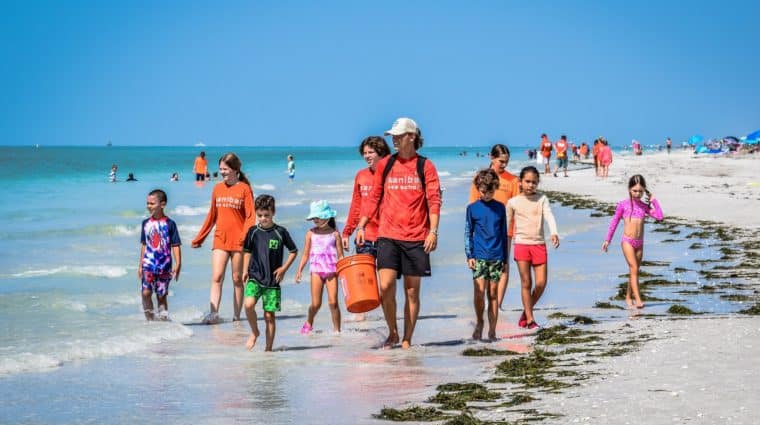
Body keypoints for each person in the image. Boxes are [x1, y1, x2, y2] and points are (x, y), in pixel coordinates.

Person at [356, 117, 442, 349]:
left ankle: (406, 338)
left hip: (416, 237)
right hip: (388, 235)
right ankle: (393, 332)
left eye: (399, 135)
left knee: (411, 292)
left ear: (411, 137)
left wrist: (433, 231)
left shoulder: (426, 166)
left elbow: (434, 200)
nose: (394, 139)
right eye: (392, 135)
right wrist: (362, 225)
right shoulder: (386, 164)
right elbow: (374, 197)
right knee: (385, 287)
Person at [191, 153, 255, 323]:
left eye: (225, 169)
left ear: (235, 169)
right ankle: (214, 314)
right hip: (220, 238)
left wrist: (245, 237)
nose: (222, 172)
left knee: (237, 279)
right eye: (220, 169)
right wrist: (200, 237)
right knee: (217, 276)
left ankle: (237, 316)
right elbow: (212, 215)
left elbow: (250, 216)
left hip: (239, 241)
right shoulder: (217, 188)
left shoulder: (244, 189)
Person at [467, 144, 519, 312]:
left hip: (505, 228)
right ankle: (483, 301)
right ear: (492, 158)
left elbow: (517, 205)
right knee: (481, 265)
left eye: (506, 161)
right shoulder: (480, 177)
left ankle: (498, 303)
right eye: (501, 161)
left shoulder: (513, 180)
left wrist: (517, 228)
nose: (504, 165)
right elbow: (472, 204)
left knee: (503, 264)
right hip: (482, 230)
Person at [243, 194, 298, 351]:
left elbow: (293, 251)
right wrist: (245, 270)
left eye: (266, 215)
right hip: (254, 276)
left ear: (273, 213)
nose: (263, 218)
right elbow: (247, 251)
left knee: (269, 316)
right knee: (248, 305)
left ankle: (268, 349)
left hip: (272, 281)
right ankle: (254, 332)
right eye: (259, 215)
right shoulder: (253, 231)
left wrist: (284, 268)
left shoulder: (281, 232)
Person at [507, 166, 559, 330]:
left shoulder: (542, 198)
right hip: (521, 245)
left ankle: (526, 311)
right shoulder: (512, 202)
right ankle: (530, 319)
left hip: (539, 244)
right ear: (520, 182)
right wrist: (501, 247)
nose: (530, 185)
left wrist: (554, 232)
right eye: (527, 181)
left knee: (541, 283)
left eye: (534, 182)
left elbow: (549, 215)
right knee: (526, 282)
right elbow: (506, 225)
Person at [602, 175, 664, 308]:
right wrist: (608, 240)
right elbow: (614, 222)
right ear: (629, 189)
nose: (637, 194)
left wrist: (654, 201)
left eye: (641, 191)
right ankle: (638, 299)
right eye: (635, 190)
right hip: (627, 242)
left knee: (633, 271)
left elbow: (660, 217)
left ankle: (628, 296)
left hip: (639, 243)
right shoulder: (622, 205)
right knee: (634, 268)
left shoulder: (644, 206)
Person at [465, 169, 507, 341]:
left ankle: (492, 330)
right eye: (483, 192)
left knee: (493, 293)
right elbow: (468, 232)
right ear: (478, 189)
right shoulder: (472, 208)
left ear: (495, 188)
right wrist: (470, 255)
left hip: (497, 255)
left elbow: (503, 234)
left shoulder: (500, 208)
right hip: (479, 255)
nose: (487, 195)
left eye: (490, 192)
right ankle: (480, 321)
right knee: (479, 292)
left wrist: (504, 259)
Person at [295, 200, 344, 334]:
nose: (315, 219)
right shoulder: (311, 233)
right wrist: (299, 270)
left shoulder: (335, 234)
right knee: (316, 304)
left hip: (332, 271)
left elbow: (340, 256)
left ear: (327, 216)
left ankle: (337, 331)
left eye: (318, 217)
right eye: (314, 217)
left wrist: (345, 272)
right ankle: (309, 321)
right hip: (316, 271)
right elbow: (305, 254)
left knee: (333, 303)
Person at [342, 136, 391, 257]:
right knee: (365, 276)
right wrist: (347, 232)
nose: (367, 156)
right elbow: (356, 205)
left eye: (371, 152)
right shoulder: (361, 175)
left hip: (388, 235)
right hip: (364, 235)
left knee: (386, 276)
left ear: (381, 152)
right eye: (364, 153)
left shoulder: (392, 174)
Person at [138, 189, 182, 321]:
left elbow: (175, 245)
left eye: (152, 203)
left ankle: (163, 322)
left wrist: (178, 263)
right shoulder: (145, 223)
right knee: (145, 293)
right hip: (148, 265)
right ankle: (150, 321)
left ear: (162, 204)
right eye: (147, 203)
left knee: (161, 296)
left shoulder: (170, 224)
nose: (148, 206)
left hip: (164, 266)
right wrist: (140, 265)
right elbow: (144, 245)